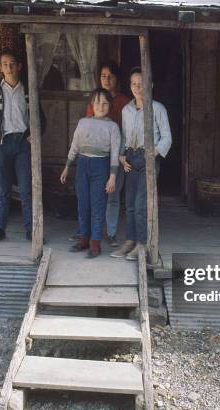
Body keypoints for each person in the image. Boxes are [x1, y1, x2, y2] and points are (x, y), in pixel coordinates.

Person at [0, 49, 46, 244]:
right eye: (5, 64)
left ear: (19, 66)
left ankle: (30, 229)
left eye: (12, 63)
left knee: (26, 189)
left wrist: (33, 136)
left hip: (23, 144)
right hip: (3, 143)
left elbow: (40, 119)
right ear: (0, 68)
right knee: (3, 190)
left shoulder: (28, 90)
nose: (8, 67)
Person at [110, 67, 172, 261]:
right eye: (134, 84)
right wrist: (121, 155)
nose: (137, 87)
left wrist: (153, 153)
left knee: (140, 205)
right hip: (130, 158)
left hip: (148, 159)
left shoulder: (158, 108)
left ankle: (142, 244)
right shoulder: (126, 109)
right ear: (130, 86)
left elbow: (167, 138)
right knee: (128, 204)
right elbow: (125, 135)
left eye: (141, 83)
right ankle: (130, 240)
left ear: (150, 85)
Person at [70, 61, 130, 247]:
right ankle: (84, 233)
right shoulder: (95, 100)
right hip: (96, 159)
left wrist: (120, 154)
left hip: (117, 154)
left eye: (110, 76)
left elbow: (126, 132)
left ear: (117, 79)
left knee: (112, 194)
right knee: (88, 197)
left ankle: (110, 232)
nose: (107, 79)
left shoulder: (124, 102)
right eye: (103, 75)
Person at [60, 88, 121, 258]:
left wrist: (112, 177)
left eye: (105, 103)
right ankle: (84, 239)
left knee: (98, 205)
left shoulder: (113, 127)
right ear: (91, 105)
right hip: (82, 165)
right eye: (97, 102)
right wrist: (67, 166)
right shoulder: (83, 122)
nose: (100, 106)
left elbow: (115, 153)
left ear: (110, 106)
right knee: (83, 205)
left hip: (101, 167)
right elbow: (75, 145)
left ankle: (95, 243)